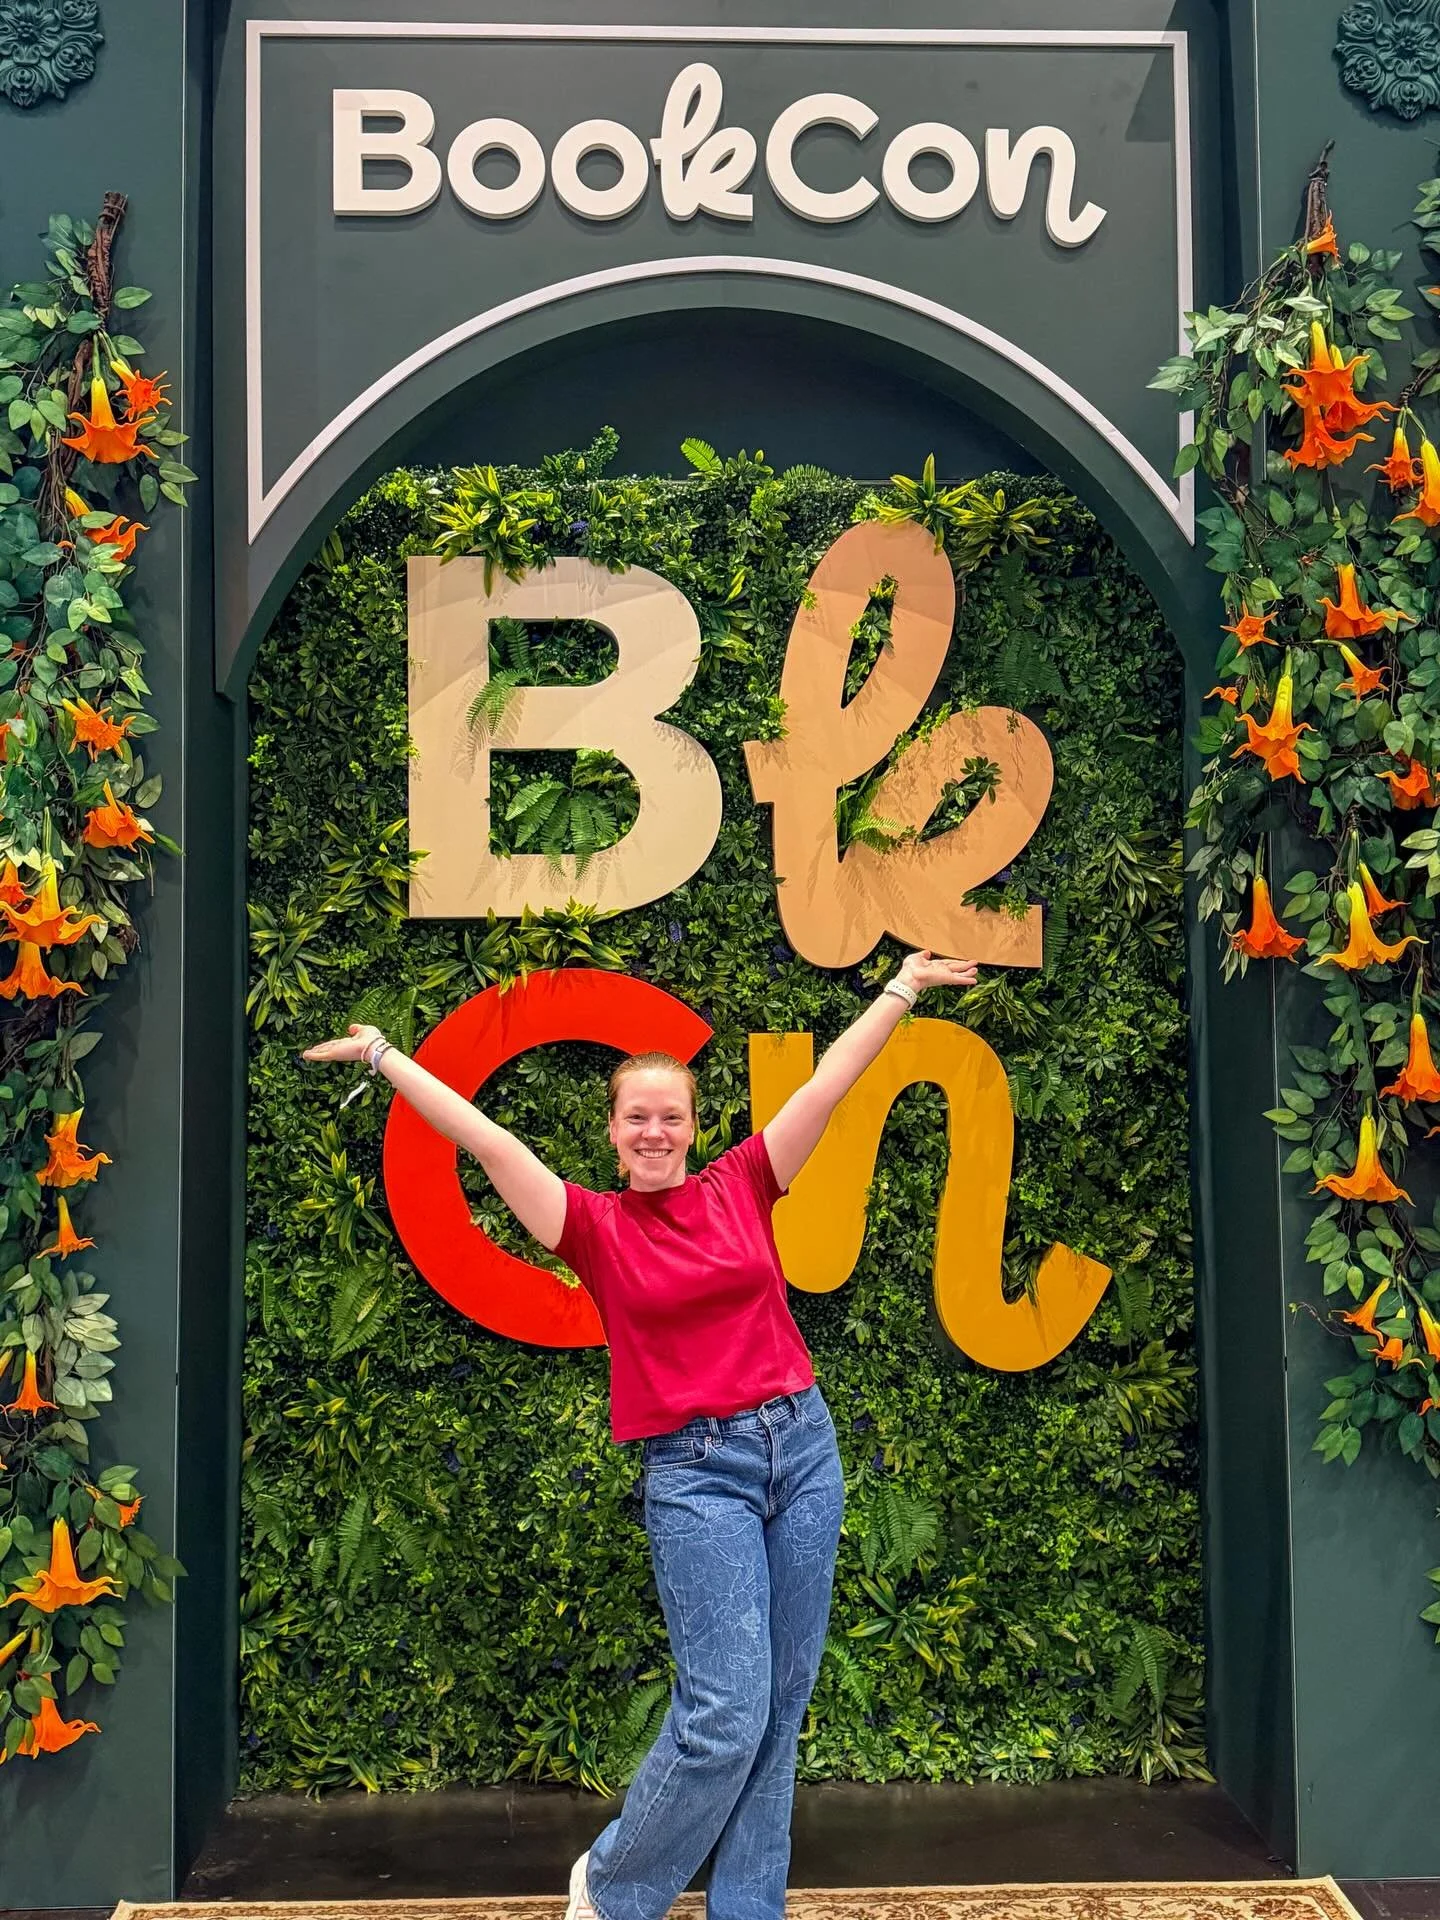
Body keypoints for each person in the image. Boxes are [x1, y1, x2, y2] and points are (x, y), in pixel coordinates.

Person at [302, 947, 978, 1920]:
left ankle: (749, 1908)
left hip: (805, 1450)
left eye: (672, 1116)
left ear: (693, 1129)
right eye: (637, 1118)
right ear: (615, 1134)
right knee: (725, 1714)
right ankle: (614, 1888)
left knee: (779, 1715)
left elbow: (830, 1087)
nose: (655, 1131)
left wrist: (902, 988)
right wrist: (383, 1056)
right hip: (699, 1476)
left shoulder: (745, 1182)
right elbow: (487, 1139)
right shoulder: (590, 1226)